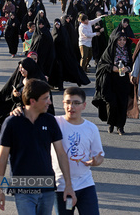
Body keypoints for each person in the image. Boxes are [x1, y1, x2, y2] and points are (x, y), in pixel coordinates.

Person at [0, 79, 76, 214]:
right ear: (32, 101)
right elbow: (2, 158)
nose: (50, 102)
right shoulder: (12, 123)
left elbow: (61, 154)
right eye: (46, 99)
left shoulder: (50, 121)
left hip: (47, 187)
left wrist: (68, 184)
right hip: (22, 188)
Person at [51, 87, 104, 215]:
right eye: (68, 102)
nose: (71, 107)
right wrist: (18, 110)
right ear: (63, 104)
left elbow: (100, 155)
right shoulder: (54, 123)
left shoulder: (91, 128)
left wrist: (96, 162)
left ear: (84, 105)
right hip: (61, 186)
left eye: (76, 103)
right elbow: (32, 116)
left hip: (85, 184)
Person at [93, 31, 133, 135]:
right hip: (110, 81)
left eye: (124, 40)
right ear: (115, 40)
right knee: (111, 103)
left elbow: (131, 65)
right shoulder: (109, 51)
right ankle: (111, 123)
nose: (122, 42)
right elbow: (101, 65)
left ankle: (120, 126)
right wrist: (112, 68)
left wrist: (127, 68)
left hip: (123, 81)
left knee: (122, 104)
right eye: (119, 40)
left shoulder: (127, 50)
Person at [49, 18, 90, 89]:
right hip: (56, 56)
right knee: (57, 71)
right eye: (56, 25)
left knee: (67, 69)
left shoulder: (63, 31)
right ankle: (57, 85)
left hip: (64, 55)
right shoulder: (53, 32)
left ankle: (61, 86)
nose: (57, 26)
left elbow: (66, 42)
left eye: (58, 24)